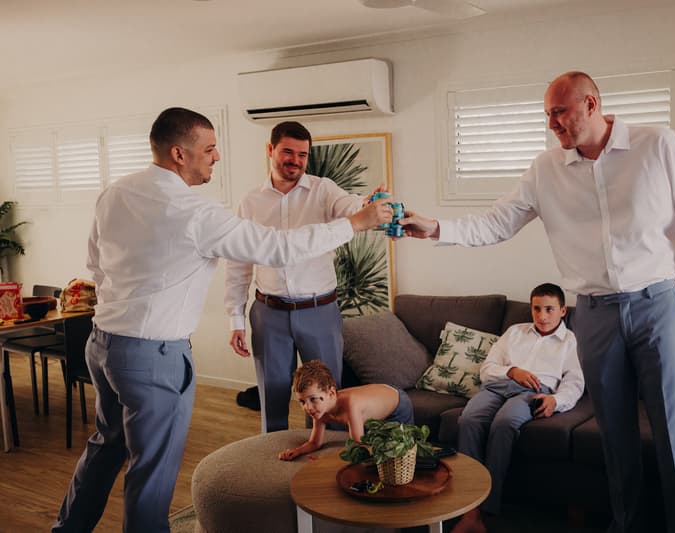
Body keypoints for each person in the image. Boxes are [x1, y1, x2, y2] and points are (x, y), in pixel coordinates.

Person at [400, 71, 675, 533]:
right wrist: (436, 228)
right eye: (547, 114)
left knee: (672, 429)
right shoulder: (545, 169)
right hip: (592, 313)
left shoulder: (656, 144)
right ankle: (627, 523)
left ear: (591, 104)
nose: (552, 123)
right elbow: (496, 223)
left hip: (656, 305)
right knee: (615, 435)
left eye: (560, 111)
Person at [52, 107, 394, 533]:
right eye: (210, 149)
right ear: (179, 153)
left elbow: (95, 266)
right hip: (153, 355)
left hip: (103, 343)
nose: (216, 157)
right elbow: (277, 248)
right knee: (151, 472)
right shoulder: (198, 214)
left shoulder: (115, 193)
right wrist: (356, 223)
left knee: (105, 446)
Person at [224, 121, 381, 433]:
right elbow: (238, 263)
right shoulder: (249, 201)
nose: (294, 160)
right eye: (287, 151)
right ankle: (275, 465)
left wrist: (367, 203)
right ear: (270, 150)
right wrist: (235, 320)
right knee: (273, 395)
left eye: (302, 154)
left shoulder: (324, 190)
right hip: (268, 313)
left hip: (319, 312)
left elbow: (351, 206)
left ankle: (330, 466)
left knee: (328, 398)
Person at [453, 283, 584, 533]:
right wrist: (512, 371)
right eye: (537, 309)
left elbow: (575, 382)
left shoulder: (570, 342)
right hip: (497, 386)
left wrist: (556, 401)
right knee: (467, 419)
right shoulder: (514, 332)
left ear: (563, 311)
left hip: (533, 393)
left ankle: (484, 510)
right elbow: (487, 368)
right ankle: (469, 507)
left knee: (505, 423)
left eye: (549, 309)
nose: (542, 316)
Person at [277, 360, 413, 461]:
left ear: (331, 393)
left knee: (398, 455)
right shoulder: (319, 410)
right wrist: (297, 451)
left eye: (313, 399)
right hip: (373, 402)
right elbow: (315, 443)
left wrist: (325, 463)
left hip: (397, 404)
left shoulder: (351, 405)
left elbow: (359, 447)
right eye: (302, 402)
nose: (308, 408)